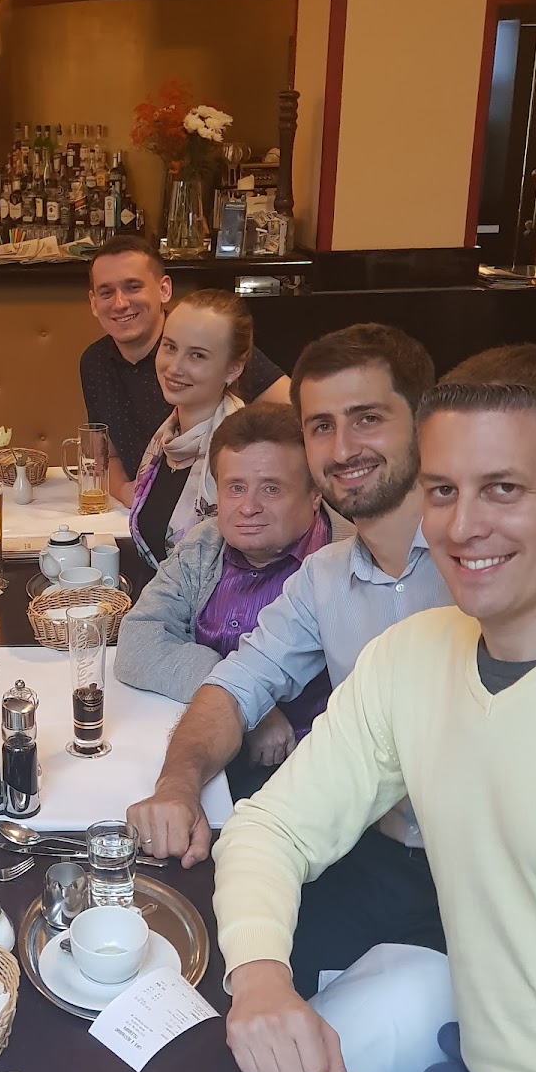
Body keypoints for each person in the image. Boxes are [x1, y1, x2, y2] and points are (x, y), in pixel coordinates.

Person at [212, 377, 536, 1072]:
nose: (463, 526)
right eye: (443, 491)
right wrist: (260, 974)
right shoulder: (416, 656)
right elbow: (273, 826)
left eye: (503, 489)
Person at [128, 327, 536, 996]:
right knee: (202, 963)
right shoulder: (327, 581)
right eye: (321, 426)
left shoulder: (529, 546)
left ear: (424, 425)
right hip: (377, 852)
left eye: (368, 418)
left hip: (515, 886)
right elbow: (236, 688)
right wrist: (178, 783)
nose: (344, 448)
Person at [116, 401, 347, 788]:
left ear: (315, 495)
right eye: (235, 488)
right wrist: (245, 704)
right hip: (202, 753)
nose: (248, 507)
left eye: (271, 489)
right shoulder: (204, 546)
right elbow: (138, 641)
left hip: (311, 777)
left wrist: (241, 701)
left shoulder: (347, 564)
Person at [79, 234, 290, 507]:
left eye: (133, 287)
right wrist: (127, 492)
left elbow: (296, 412)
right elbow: (105, 453)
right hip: (141, 507)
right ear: (94, 302)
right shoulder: (94, 361)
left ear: (164, 289)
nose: (120, 303)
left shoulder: (209, 341)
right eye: (106, 292)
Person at [128, 289, 250, 568]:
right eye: (170, 347)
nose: (174, 367)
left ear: (233, 369)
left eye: (197, 355)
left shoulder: (243, 453)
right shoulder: (165, 439)